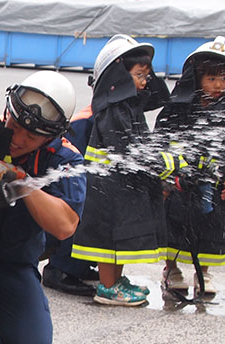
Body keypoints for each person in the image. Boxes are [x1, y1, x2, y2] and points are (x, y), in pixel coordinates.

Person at [0, 71, 84, 344]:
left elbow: (65, 225)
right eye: (15, 125)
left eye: (31, 136)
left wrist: (23, 183)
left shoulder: (63, 159)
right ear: (8, 109)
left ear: (52, 136)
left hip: (10, 263)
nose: (18, 139)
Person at [70, 34, 175, 306]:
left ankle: (116, 280)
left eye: (146, 75)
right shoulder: (113, 108)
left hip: (120, 183)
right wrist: (157, 163)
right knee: (109, 238)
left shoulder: (128, 105)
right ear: (118, 77)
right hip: (107, 187)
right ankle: (107, 286)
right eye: (139, 75)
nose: (144, 82)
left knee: (121, 237)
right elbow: (125, 146)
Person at [156, 36, 225, 301]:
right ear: (196, 79)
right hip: (180, 186)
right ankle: (171, 271)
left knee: (209, 227)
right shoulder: (177, 111)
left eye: (223, 79)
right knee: (174, 226)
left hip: (213, 188)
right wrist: (176, 173)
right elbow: (160, 145)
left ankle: (202, 273)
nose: (218, 86)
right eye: (211, 78)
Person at [41, 104, 98, 296]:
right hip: (64, 189)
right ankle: (60, 269)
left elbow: (158, 98)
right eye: (138, 74)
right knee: (81, 201)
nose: (143, 83)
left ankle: (79, 265)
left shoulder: (122, 107)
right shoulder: (88, 119)